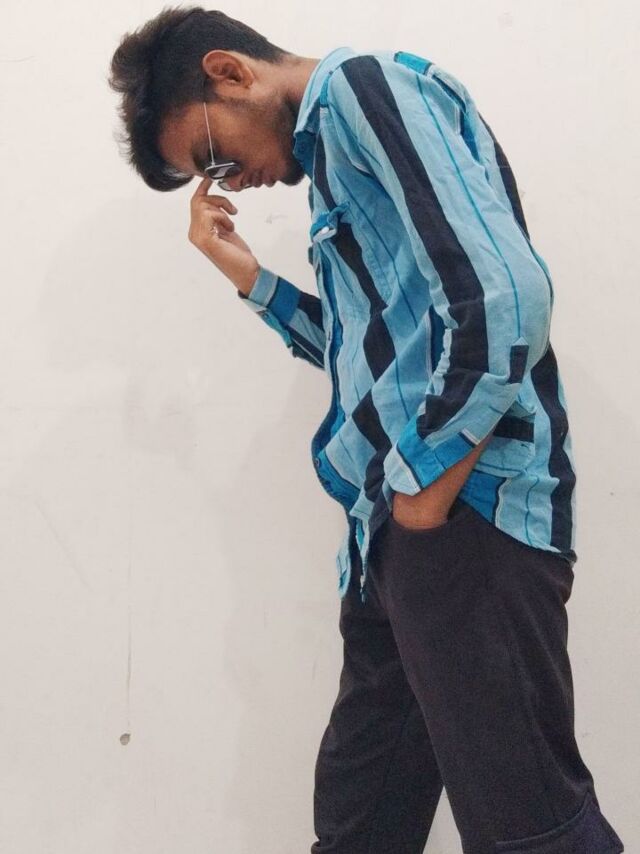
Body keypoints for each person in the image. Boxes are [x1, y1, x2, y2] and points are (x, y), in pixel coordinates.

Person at [108, 7, 625, 853]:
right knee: (361, 825)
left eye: (213, 157)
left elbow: (505, 298)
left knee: (530, 831)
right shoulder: (336, 164)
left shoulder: (360, 90)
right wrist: (250, 279)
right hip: (392, 537)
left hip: (467, 517)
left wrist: (423, 501)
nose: (231, 182)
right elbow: (375, 355)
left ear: (230, 73)